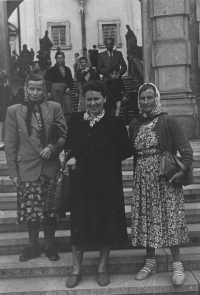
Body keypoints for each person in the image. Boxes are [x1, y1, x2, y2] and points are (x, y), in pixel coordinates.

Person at [65, 80, 132, 288]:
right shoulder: (76, 120)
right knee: (79, 224)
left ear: (104, 99)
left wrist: (100, 158)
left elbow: (126, 150)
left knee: (106, 223)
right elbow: (69, 145)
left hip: (106, 181)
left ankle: (102, 268)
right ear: (83, 100)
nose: (93, 103)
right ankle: (77, 269)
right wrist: (73, 156)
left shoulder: (115, 122)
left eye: (96, 99)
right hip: (81, 182)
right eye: (88, 99)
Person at [129, 83, 193, 286]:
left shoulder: (168, 120)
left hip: (165, 180)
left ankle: (177, 266)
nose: (146, 102)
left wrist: (182, 172)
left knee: (169, 219)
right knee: (148, 221)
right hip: (143, 182)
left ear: (156, 98)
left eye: (150, 97)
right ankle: (150, 263)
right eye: (142, 98)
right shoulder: (135, 123)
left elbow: (187, 151)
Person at [5, 74, 67, 262]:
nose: (35, 92)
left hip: (49, 167)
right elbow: (10, 144)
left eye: (39, 89)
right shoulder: (14, 111)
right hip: (27, 168)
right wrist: (13, 173)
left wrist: (53, 147)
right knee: (31, 212)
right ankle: (33, 246)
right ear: (25, 88)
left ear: (45, 91)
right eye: (31, 88)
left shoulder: (54, 108)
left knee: (50, 210)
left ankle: (49, 246)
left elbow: (63, 135)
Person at [98, 38, 127, 115]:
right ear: (105, 45)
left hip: (117, 82)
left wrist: (119, 73)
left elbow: (124, 66)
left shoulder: (118, 54)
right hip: (107, 82)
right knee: (108, 103)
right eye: (107, 44)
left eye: (110, 44)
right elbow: (100, 68)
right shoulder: (101, 55)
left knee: (118, 103)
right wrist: (109, 74)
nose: (108, 46)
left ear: (113, 44)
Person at [0, 70, 12, 149]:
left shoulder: (5, 87)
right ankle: (1, 141)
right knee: (2, 125)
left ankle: (1, 141)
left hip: (3, 107)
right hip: (3, 107)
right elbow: (9, 98)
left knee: (2, 125)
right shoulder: (6, 87)